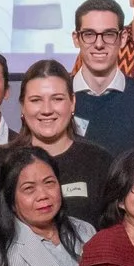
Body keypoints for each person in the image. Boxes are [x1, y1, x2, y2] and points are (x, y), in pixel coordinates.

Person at [15, 60, 113, 223]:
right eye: (36, 100)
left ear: (72, 103)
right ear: (22, 106)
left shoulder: (100, 162)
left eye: (57, 99)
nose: (47, 110)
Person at [68, 0, 134, 155]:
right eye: (89, 34)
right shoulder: (58, 98)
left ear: (123, 38)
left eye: (109, 34)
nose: (99, 44)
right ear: (76, 39)